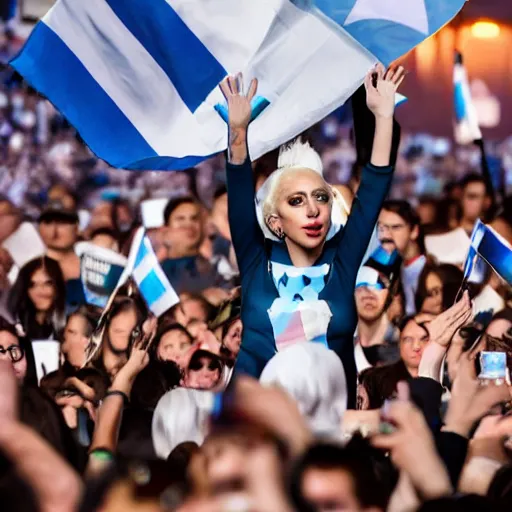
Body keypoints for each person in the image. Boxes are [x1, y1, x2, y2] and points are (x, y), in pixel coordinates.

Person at [222, 65, 404, 405]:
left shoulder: (343, 260)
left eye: (321, 197)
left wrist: (382, 117)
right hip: (254, 427)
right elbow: (238, 189)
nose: (312, 210)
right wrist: (237, 130)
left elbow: (375, 185)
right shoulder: (256, 261)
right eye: (296, 201)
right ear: (276, 221)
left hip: (330, 429)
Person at [160, 197, 230, 294]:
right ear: (165, 230)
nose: (189, 225)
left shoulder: (219, 269)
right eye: (180, 219)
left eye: (194, 218)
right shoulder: (157, 275)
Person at [378, 200, 427, 315]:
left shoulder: (426, 271)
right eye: (382, 227)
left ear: (414, 231)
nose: (386, 234)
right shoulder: (394, 267)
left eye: (395, 227)